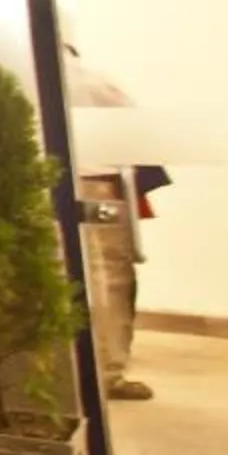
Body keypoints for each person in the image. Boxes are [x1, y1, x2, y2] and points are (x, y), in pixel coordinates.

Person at [62, 44, 157, 403]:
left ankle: (71, 372)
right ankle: (108, 372)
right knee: (107, 280)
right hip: (96, 184)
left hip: (48, 185)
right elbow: (135, 126)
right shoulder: (91, 80)